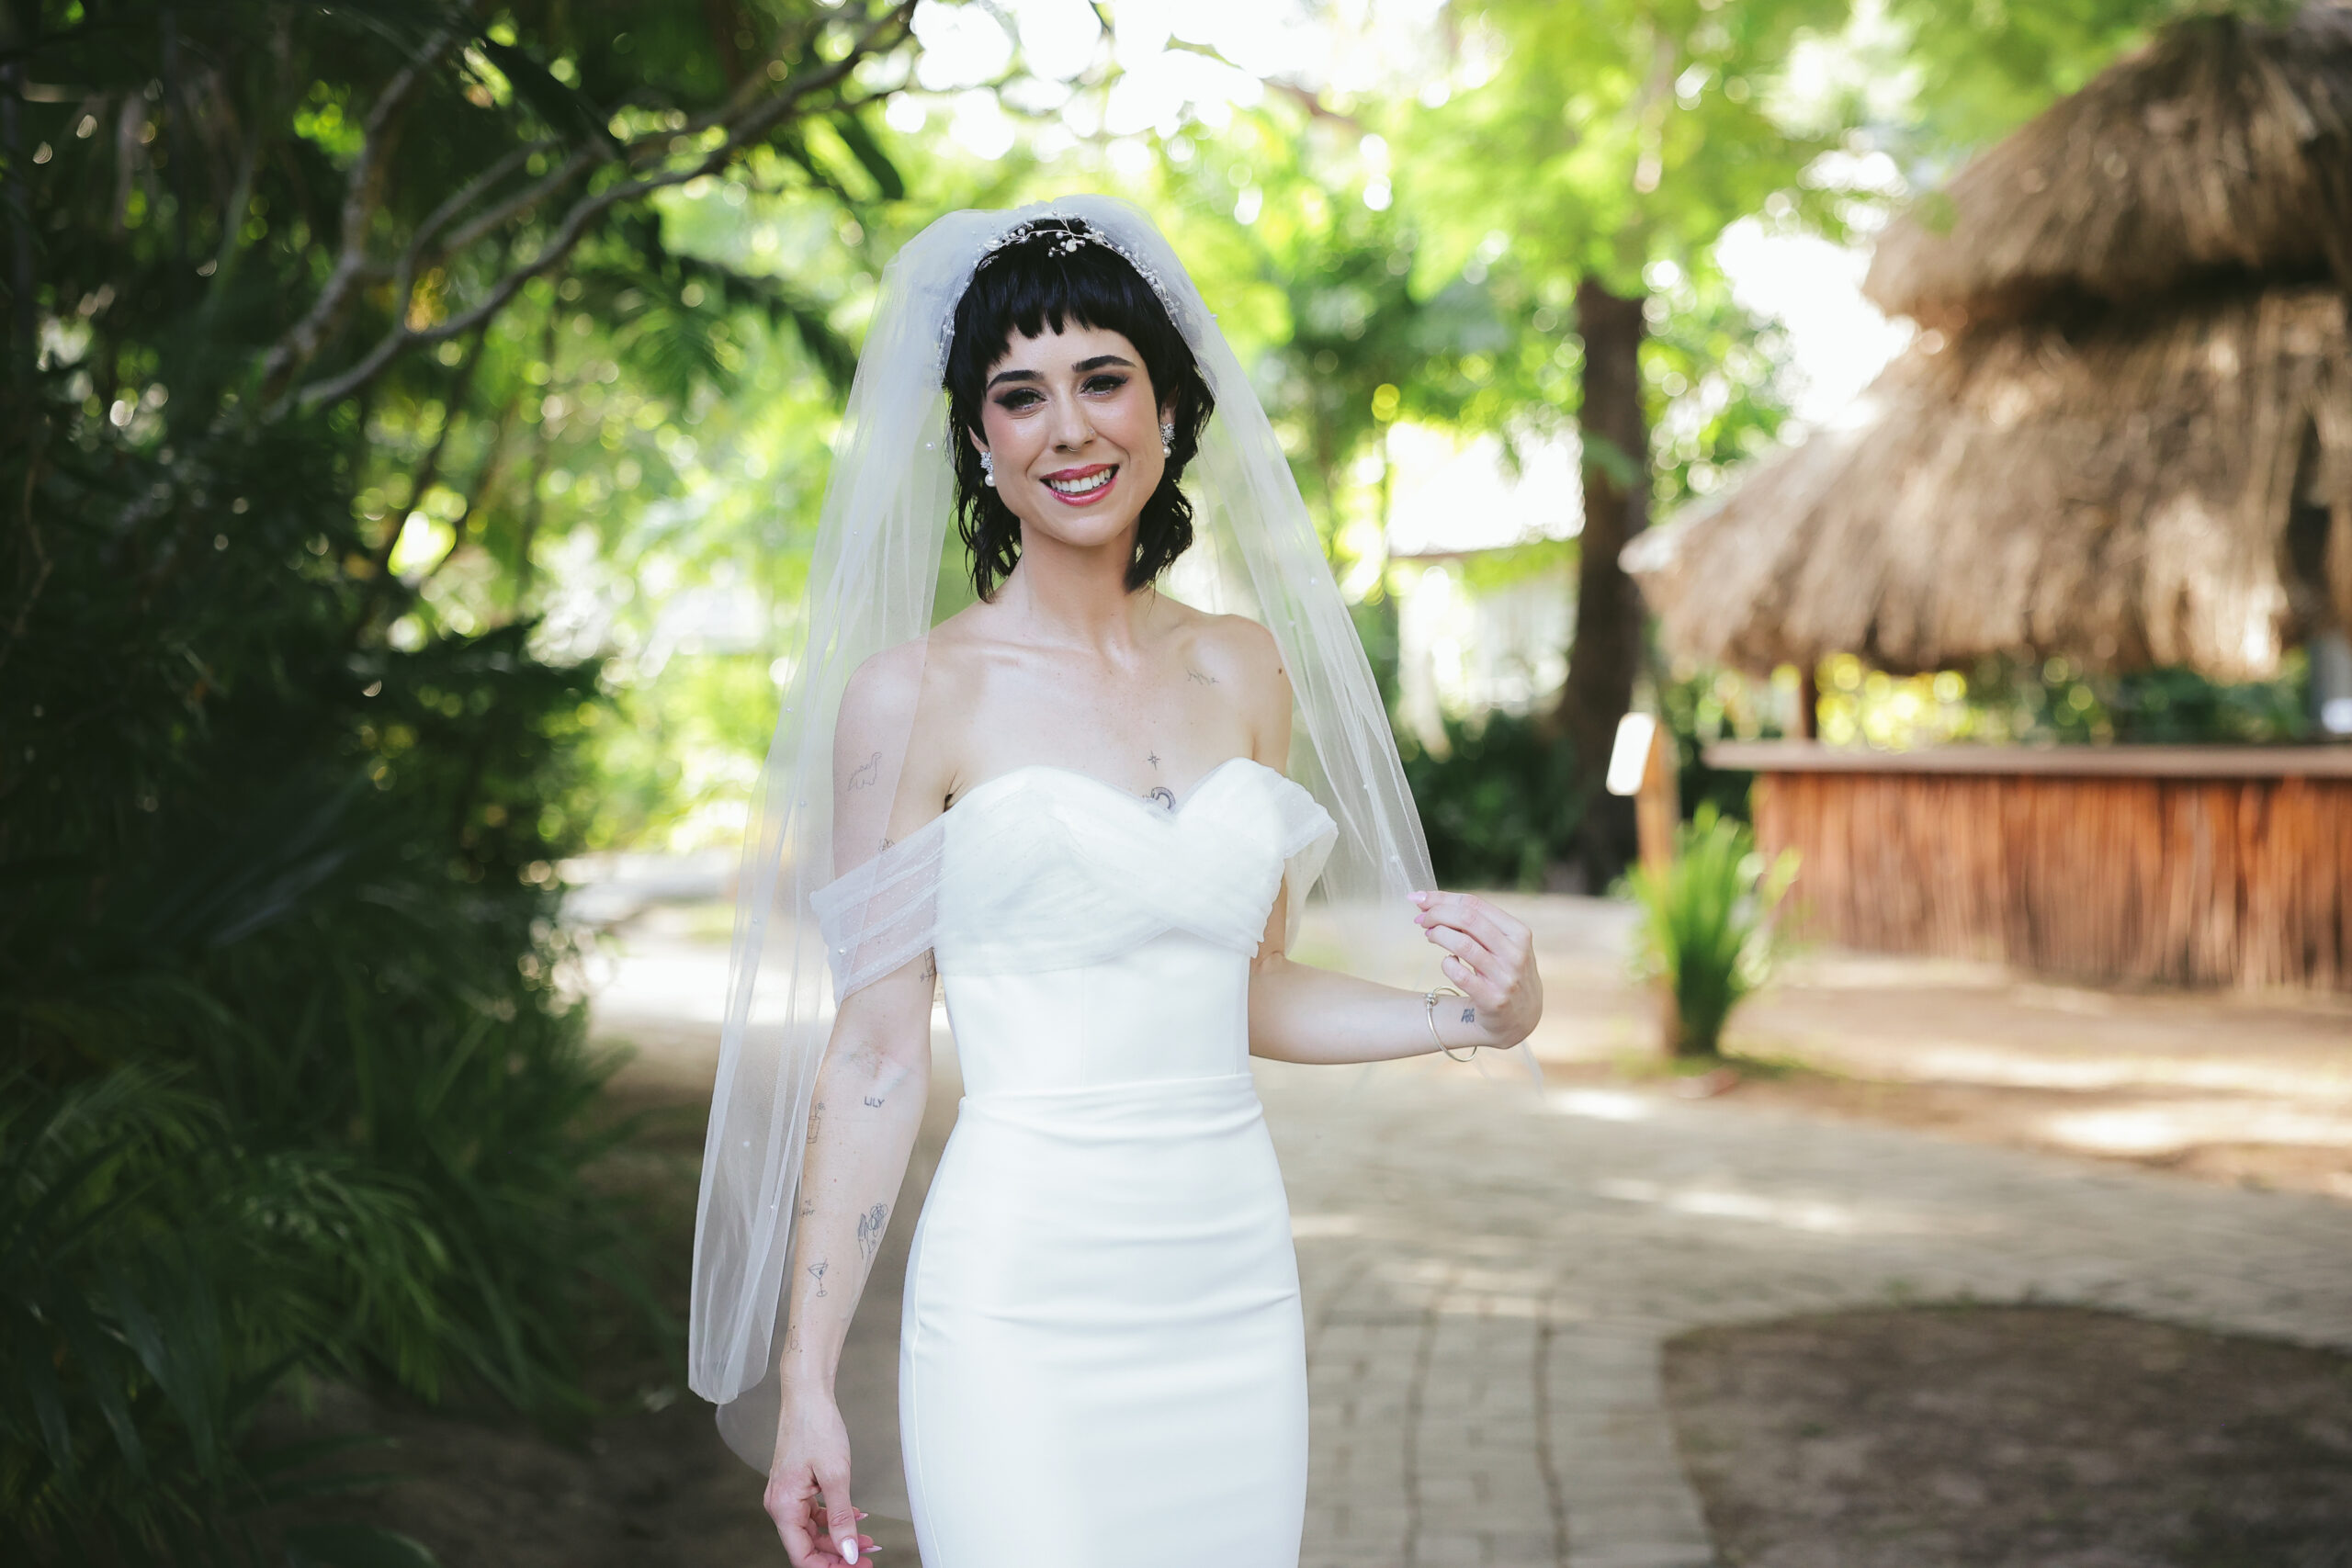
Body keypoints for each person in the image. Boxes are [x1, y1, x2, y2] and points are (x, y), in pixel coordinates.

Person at [688, 199, 1544, 1568]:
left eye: (1102, 379)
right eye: (1020, 396)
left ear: (1170, 406)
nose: (1069, 429)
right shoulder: (913, 698)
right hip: (1019, 1299)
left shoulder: (1242, 668)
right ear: (979, 441)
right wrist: (809, 1387)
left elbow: (1252, 988)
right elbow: (876, 1055)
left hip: (1230, 1286)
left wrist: (1477, 1018)